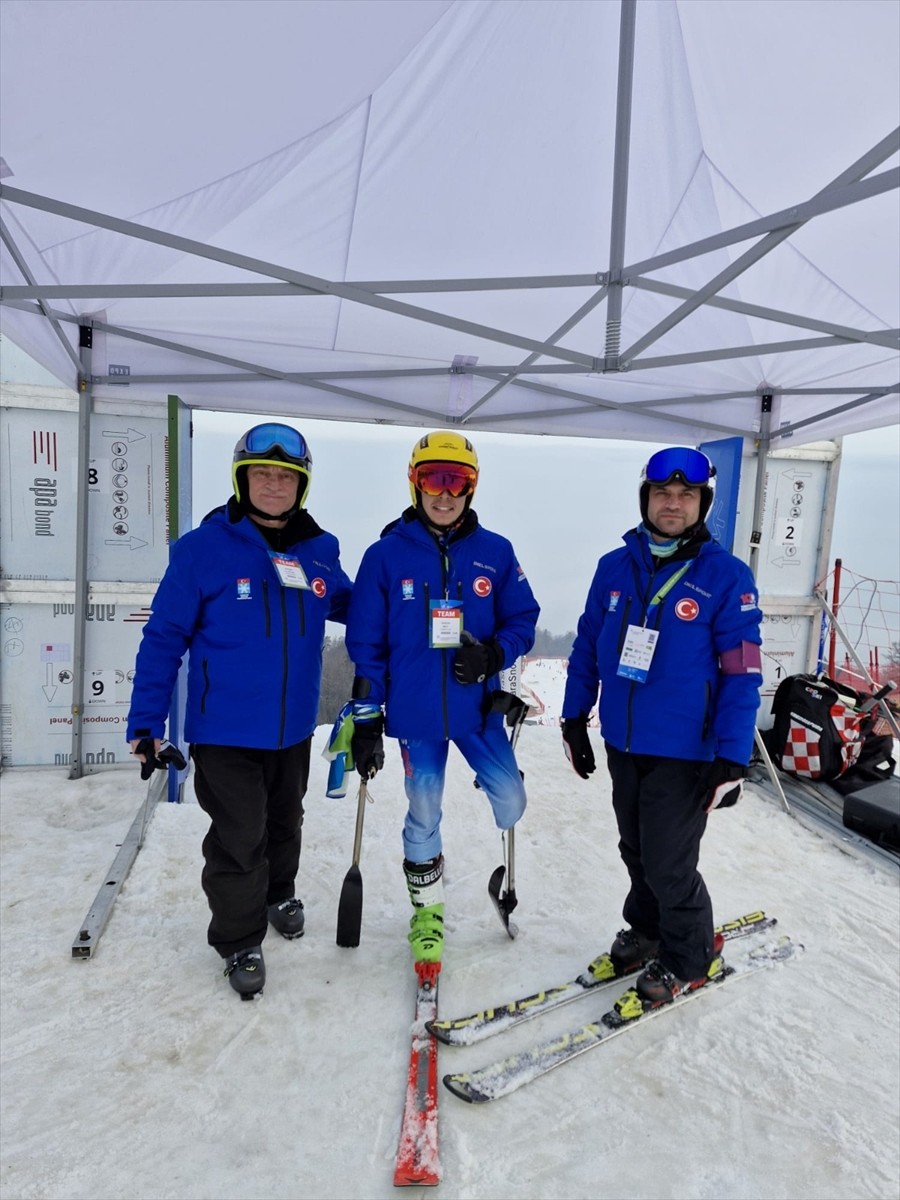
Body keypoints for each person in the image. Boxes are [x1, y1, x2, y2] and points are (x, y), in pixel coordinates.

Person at [126, 423, 352, 997]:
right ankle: (238, 939)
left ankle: (279, 894)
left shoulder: (319, 552)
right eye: (262, 474)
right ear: (241, 479)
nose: (273, 485)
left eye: (286, 476)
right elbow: (162, 638)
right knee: (238, 835)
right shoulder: (203, 552)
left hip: (293, 727)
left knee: (285, 821)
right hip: (225, 730)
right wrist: (146, 723)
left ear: (301, 485)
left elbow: (361, 608)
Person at [561, 446, 763, 1012]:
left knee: (671, 863)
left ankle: (690, 957)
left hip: (686, 750)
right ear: (646, 498)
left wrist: (732, 754)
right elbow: (587, 648)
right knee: (636, 849)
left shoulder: (725, 576)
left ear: (702, 504)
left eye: (686, 495)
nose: (673, 503)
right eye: (662, 493)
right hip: (624, 740)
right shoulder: (613, 567)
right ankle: (647, 931)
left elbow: (742, 673)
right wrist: (575, 717)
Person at [345, 430, 540, 967]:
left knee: (511, 803)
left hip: (477, 712)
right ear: (415, 483)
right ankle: (426, 911)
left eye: (458, 481)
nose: (445, 493)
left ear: (471, 489)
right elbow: (367, 644)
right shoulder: (384, 556)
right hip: (414, 715)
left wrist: (494, 654)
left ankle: (490, 772)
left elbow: (523, 618)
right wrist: (366, 716)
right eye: (434, 479)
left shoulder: (495, 552)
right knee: (424, 807)